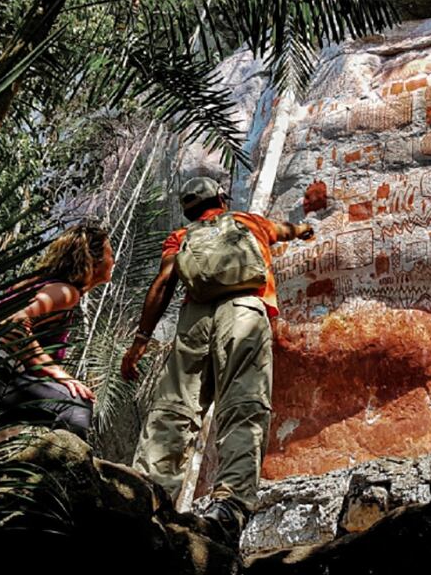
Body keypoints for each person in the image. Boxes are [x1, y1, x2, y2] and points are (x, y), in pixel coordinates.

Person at [120, 177, 313, 542]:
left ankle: (148, 496)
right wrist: (303, 229)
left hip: (195, 320)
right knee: (243, 403)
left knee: (175, 408)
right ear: (221, 199)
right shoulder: (248, 222)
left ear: (189, 210)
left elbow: (164, 282)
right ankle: (230, 503)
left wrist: (141, 339)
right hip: (244, 310)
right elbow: (286, 229)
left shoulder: (181, 236)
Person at [0, 223, 114, 439]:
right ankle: (65, 471)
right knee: (76, 405)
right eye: (110, 254)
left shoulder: (41, 282)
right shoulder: (66, 292)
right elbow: (14, 321)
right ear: (94, 261)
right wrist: (56, 372)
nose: (114, 260)